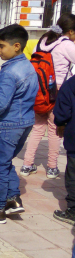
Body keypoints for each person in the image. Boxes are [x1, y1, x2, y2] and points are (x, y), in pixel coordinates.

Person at [0, 24, 38, 224]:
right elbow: (12, 95)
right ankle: (12, 200)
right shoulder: (27, 66)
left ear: (16, 46)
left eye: (2, 46)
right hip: (24, 122)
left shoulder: (9, 72)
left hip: (8, 125)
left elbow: (1, 104)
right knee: (6, 162)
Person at [21, 15, 75, 180]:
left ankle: (27, 165)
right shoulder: (66, 44)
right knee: (55, 129)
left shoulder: (43, 41)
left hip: (38, 89)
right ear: (71, 31)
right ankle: (52, 167)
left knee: (37, 128)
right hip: (57, 91)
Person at [52, 65, 75, 225]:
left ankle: (73, 211)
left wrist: (61, 123)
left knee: (73, 176)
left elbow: (62, 112)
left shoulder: (71, 84)